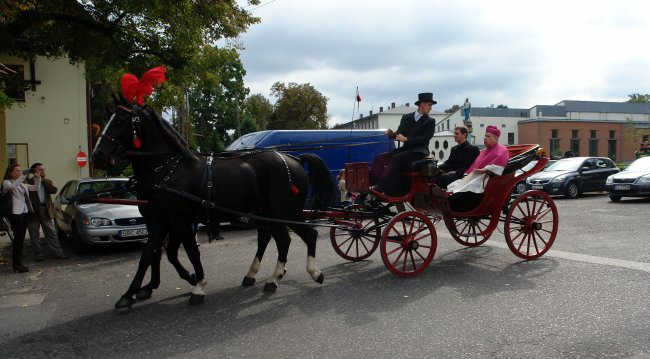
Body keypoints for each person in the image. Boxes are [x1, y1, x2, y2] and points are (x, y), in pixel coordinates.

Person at [375, 92, 436, 196]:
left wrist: (407, 139)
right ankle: (374, 184)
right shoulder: (406, 117)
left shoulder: (430, 121)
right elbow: (400, 133)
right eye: (429, 105)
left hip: (419, 151)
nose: (430, 108)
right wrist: (392, 135)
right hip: (406, 150)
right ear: (422, 104)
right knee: (379, 158)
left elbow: (425, 138)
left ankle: (380, 188)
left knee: (396, 159)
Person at [446, 125, 509, 212]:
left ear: (495, 138)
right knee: (457, 184)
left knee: (470, 186)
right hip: (477, 176)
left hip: (486, 178)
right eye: (485, 136)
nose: (484, 138)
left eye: (488, 136)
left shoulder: (502, 149)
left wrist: (486, 169)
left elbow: (498, 164)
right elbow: (475, 165)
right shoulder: (484, 151)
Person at [2, 163, 41, 273]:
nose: (19, 173)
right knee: (18, 239)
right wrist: (23, 175)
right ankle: (17, 264)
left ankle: (18, 264)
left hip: (24, 212)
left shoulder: (22, 184)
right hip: (15, 213)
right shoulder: (6, 183)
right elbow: (12, 187)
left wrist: (38, 178)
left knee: (20, 239)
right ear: (10, 172)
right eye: (17, 171)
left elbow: (35, 188)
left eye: (20, 171)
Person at [27, 163, 68, 261]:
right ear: (34, 171)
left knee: (52, 232)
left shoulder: (47, 181)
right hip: (33, 211)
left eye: (43, 169)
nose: (43, 171)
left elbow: (54, 190)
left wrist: (43, 180)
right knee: (34, 234)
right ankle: (39, 254)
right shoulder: (28, 182)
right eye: (40, 169)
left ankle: (58, 253)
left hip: (46, 209)